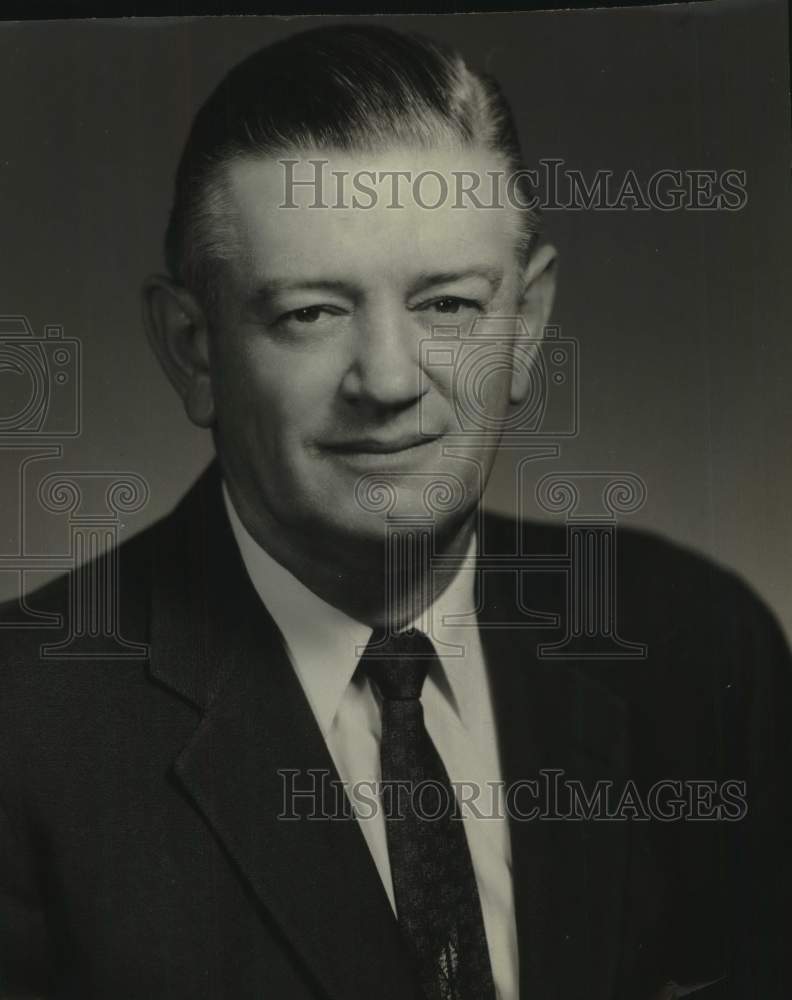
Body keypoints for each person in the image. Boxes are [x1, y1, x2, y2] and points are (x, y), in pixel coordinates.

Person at [0, 23, 789, 1000]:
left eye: (449, 305)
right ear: (193, 350)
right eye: (310, 314)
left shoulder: (702, 647)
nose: (387, 379)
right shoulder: (24, 729)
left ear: (527, 324)